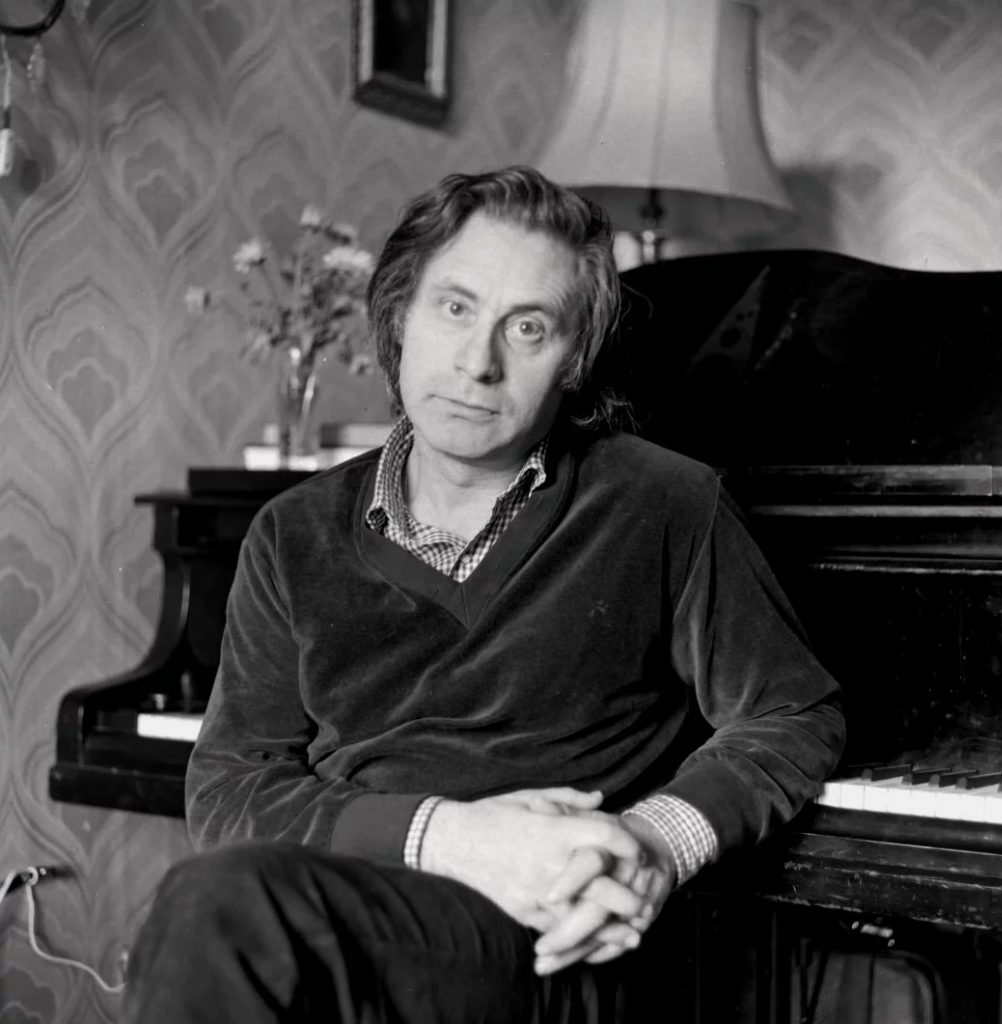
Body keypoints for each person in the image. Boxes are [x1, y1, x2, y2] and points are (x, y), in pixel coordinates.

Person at [123, 165, 845, 1023]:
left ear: (573, 359)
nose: (478, 363)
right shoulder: (292, 530)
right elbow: (228, 788)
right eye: (455, 308)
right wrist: (450, 837)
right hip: (357, 907)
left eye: (528, 328)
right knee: (222, 908)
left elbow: (792, 715)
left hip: (557, 941)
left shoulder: (664, 502)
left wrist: (653, 842)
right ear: (400, 316)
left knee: (221, 911)